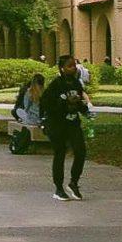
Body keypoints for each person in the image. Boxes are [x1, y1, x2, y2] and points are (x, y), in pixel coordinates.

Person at [40, 55, 91, 201]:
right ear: (62, 69)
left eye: (74, 65)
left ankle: (73, 183)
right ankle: (58, 188)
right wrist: (63, 103)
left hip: (73, 123)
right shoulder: (56, 85)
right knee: (60, 153)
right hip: (57, 124)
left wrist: (84, 110)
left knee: (80, 151)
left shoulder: (76, 84)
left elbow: (80, 101)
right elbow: (46, 104)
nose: (73, 68)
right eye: (69, 66)